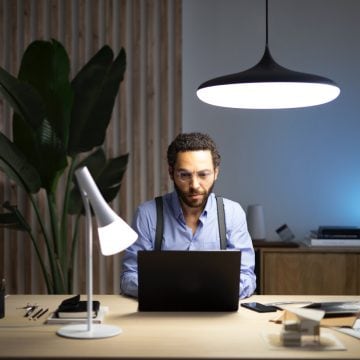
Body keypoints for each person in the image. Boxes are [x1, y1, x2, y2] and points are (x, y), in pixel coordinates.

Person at [120, 132, 256, 298]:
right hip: (162, 316)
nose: (195, 185)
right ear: (171, 173)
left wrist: (207, 293)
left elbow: (247, 277)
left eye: (203, 174)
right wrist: (172, 292)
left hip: (217, 315)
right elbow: (129, 277)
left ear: (216, 173)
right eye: (184, 175)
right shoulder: (148, 214)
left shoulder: (232, 214)